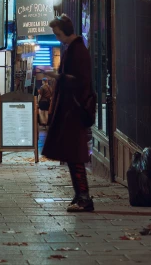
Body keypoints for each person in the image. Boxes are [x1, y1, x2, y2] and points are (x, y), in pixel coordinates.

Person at [42, 14, 95, 212]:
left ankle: (84, 198)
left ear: (65, 31)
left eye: (57, 33)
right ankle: (80, 195)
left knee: (75, 155)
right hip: (71, 110)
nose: (56, 37)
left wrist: (56, 75)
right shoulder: (73, 49)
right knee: (73, 155)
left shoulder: (77, 51)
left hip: (74, 111)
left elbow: (78, 81)